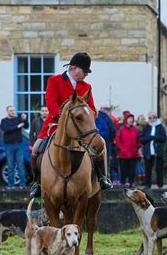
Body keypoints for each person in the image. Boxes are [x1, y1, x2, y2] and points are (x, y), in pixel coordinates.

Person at [30, 52, 113, 198]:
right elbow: (51, 102)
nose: (86, 74)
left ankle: (102, 177)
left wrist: (90, 115)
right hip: (55, 125)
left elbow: (92, 108)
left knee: (102, 144)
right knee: (36, 149)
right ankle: (37, 183)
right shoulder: (54, 81)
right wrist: (61, 119)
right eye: (84, 71)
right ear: (74, 68)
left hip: (81, 128)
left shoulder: (87, 86)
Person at [0, 105, 29, 189]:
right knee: (10, 166)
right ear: (7, 111)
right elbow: (6, 129)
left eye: (13, 110)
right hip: (9, 146)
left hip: (18, 145)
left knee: (20, 165)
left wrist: (24, 119)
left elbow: (26, 126)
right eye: (11, 111)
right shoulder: (4, 121)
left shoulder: (18, 119)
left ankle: (23, 185)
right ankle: (11, 185)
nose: (13, 112)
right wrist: (17, 127)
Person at [139, 112, 167, 188]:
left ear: (156, 118)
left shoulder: (160, 127)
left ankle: (160, 185)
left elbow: (164, 138)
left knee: (159, 169)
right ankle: (148, 185)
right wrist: (149, 137)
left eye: (153, 117)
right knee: (147, 169)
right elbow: (141, 139)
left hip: (158, 152)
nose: (152, 119)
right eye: (150, 118)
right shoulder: (146, 127)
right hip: (148, 152)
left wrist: (154, 137)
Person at [115, 112, 141, 187]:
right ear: (126, 119)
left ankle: (131, 182)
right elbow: (117, 140)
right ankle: (123, 183)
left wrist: (137, 147)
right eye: (129, 118)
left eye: (132, 119)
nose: (131, 120)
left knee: (132, 170)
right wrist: (121, 148)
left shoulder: (135, 130)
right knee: (123, 170)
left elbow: (138, 140)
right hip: (123, 154)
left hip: (133, 153)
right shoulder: (121, 129)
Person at [95, 105, 116, 171]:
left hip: (103, 143)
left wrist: (97, 135)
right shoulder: (105, 117)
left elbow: (107, 131)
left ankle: (104, 177)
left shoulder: (102, 119)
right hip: (95, 143)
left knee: (104, 162)